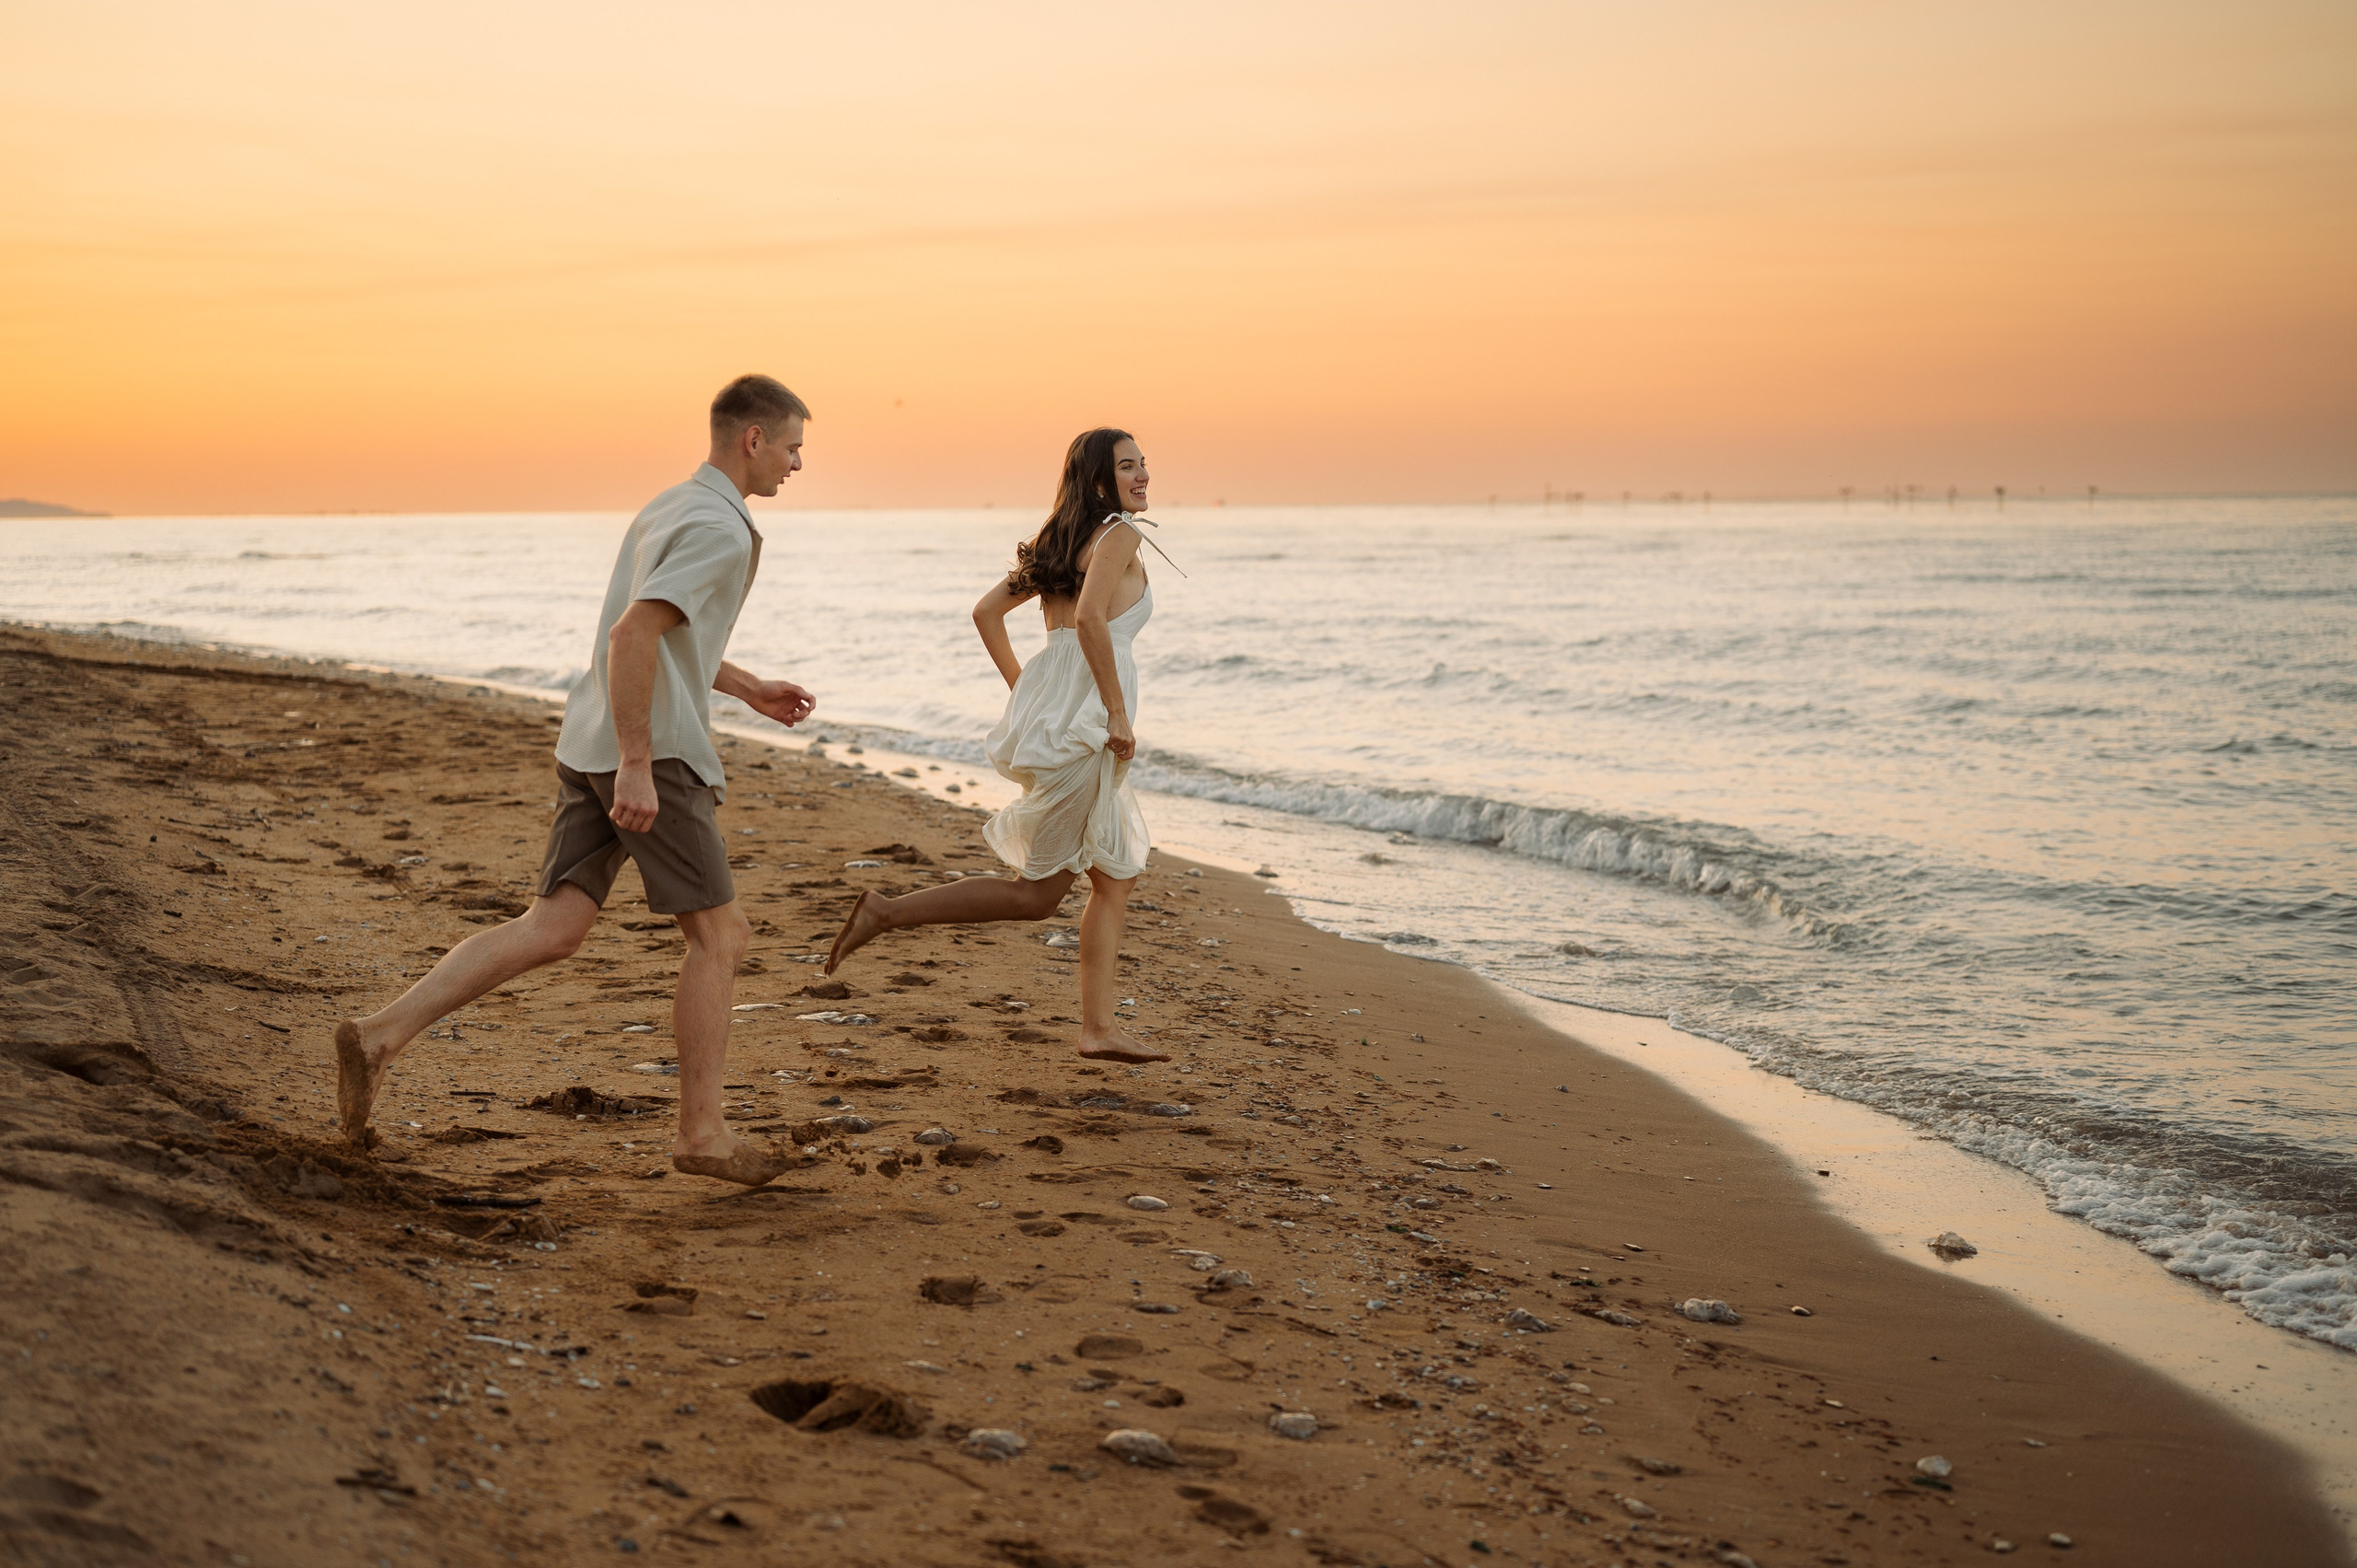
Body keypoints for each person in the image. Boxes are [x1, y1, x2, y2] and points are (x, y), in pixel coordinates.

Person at [333, 374, 821, 1184]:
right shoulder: (721, 529)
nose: (798, 464)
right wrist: (639, 761)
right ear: (753, 440)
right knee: (720, 937)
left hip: (591, 735)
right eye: (795, 447)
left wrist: (745, 686)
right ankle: (702, 1134)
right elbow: (634, 634)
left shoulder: (670, 505)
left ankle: (379, 1034)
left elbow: (659, 636)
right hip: (650, 751)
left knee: (553, 926)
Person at [824, 427, 1170, 1064]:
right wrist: (1116, 712)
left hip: (1062, 724)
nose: (1144, 474)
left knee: (1115, 877)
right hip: (1090, 730)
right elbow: (1093, 620)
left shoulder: (1061, 539)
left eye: (1144, 463)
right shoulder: (1119, 534)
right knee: (1034, 896)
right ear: (1100, 481)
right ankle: (885, 912)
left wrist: (1029, 690)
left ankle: (1098, 1027)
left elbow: (987, 613)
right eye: (1128, 466)